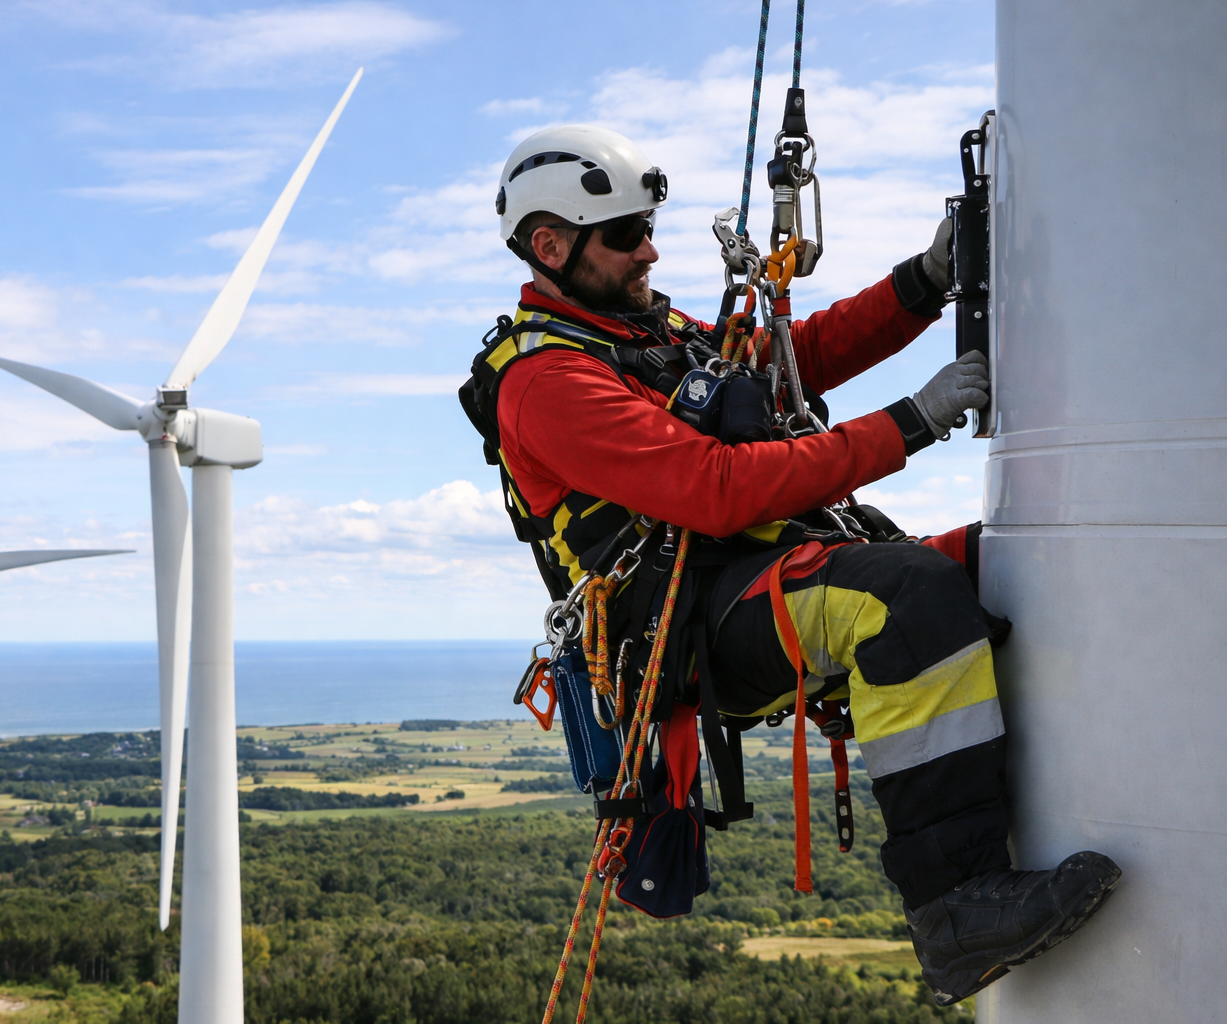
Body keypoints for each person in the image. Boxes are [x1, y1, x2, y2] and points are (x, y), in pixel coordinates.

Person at [460, 125, 1120, 1006]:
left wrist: (921, 284)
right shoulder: (546, 382)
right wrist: (910, 424)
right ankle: (956, 910)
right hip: (688, 627)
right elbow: (716, 488)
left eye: (648, 226)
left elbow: (787, 364)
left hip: (753, 572)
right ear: (552, 245)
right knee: (903, 597)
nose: (649, 249)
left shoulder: (644, 334)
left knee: (1001, 558)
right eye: (626, 235)